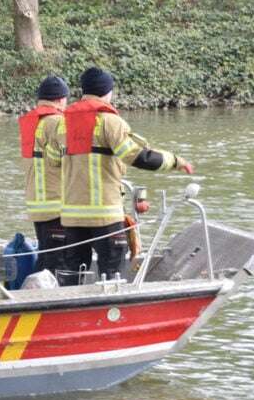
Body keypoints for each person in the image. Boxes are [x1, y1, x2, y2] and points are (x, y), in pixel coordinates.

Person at [57, 68, 194, 282]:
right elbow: (138, 157)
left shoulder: (63, 123)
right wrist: (176, 161)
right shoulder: (109, 122)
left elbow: (54, 161)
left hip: (72, 217)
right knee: (112, 275)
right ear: (107, 91)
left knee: (73, 273)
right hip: (104, 213)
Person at [19, 74, 70, 273]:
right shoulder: (57, 122)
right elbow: (67, 158)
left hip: (37, 205)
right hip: (57, 204)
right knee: (58, 262)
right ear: (59, 99)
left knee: (46, 255)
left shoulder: (30, 123)